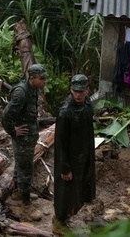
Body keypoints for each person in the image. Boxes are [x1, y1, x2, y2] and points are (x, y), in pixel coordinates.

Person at [2, 63, 48, 221]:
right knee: (26, 169)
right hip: (22, 138)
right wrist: (13, 131)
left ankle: (17, 192)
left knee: (21, 165)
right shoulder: (21, 92)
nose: (44, 82)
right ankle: (26, 205)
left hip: (29, 136)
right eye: (42, 79)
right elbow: (6, 116)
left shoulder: (33, 89)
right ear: (32, 78)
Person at [52, 74, 96, 235]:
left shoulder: (87, 105)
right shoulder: (65, 112)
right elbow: (60, 143)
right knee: (64, 192)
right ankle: (58, 222)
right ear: (70, 90)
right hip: (69, 160)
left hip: (83, 157)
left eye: (81, 91)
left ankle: (68, 216)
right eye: (75, 91)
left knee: (79, 190)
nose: (78, 95)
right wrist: (64, 167)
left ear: (87, 90)